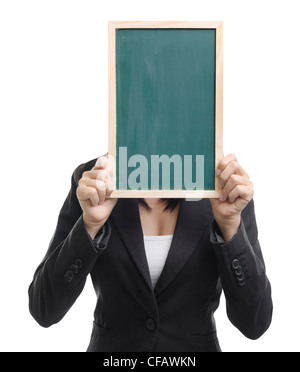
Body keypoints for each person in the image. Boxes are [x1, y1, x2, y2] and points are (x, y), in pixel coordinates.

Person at [28, 153, 272, 352]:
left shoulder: (224, 184)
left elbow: (255, 323)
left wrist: (230, 227)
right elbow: (44, 308)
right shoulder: (96, 179)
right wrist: (89, 226)